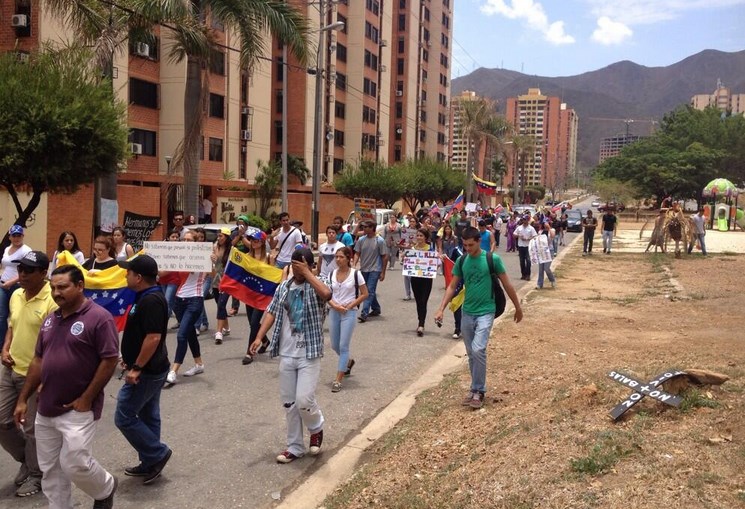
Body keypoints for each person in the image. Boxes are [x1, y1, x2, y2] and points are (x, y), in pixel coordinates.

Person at [13, 264, 119, 509]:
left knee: (75, 463)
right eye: (53, 288)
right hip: (46, 407)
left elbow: (110, 359)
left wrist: (87, 398)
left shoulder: (98, 317)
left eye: (63, 287)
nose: (57, 292)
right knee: (50, 470)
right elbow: (38, 360)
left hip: (78, 408)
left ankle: (105, 487)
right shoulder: (50, 320)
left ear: (80, 286)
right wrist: (22, 399)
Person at [248, 249, 331, 463]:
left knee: (304, 399)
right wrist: (258, 337)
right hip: (287, 352)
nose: (296, 269)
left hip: (309, 353)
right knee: (289, 403)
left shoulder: (318, 283)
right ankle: (294, 447)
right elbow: (272, 311)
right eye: (294, 265)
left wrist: (308, 273)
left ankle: (316, 427)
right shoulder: (284, 287)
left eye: (300, 265)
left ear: (310, 265)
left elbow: (327, 294)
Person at [433, 227, 523, 409]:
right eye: (465, 245)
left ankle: (479, 390)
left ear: (478, 241)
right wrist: (441, 308)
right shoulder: (462, 260)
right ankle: (474, 390)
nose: (467, 248)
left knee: (478, 349)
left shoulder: (492, 259)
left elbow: (507, 284)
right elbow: (452, 286)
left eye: (471, 245)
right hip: (467, 312)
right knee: (472, 353)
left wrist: (518, 307)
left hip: (487, 310)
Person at [1, 251, 57, 497]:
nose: (21, 274)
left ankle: (37, 475)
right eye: (20, 269)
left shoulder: (52, 301)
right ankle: (28, 459)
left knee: (33, 428)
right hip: (10, 369)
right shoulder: (15, 295)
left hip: (35, 375)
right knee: (2, 422)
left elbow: (56, 344)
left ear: (44, 273)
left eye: (28, 271)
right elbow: (12, 326)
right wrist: (4, 348)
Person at [115, 255, 172, 485]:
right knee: (149, 414)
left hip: (148, 371)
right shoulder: (145, 296)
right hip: (149, 367)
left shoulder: (151, 301)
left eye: (128, 272)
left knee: (124, 415)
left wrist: (136, 367)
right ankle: (150, 461)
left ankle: (157, 453)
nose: (125, 275)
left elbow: (153, 337)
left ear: (138, 277)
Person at [165, 230, 207, 384]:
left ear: (196, 242)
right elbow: (163, 273)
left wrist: (212, 261)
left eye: (190, 240)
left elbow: (212, 272)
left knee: (181, 335)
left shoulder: (203, 256)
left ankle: (173, 371)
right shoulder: (179, 256)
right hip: (179, 300)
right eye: (184, 239)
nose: (186, 242)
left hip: (194, 300)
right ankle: (199, 364)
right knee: (189, 333)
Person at [327, 247, 368, 392]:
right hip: (334, 311)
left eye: (341, 257)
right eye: (336, 257)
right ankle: (348, 362)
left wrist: (350, 305)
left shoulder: (356, 274)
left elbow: (364, 293)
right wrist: (334, 305)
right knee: (334, 345)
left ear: (348, 258)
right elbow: (327, 294)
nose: (338, 260)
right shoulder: (331, 274)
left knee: (343, 345)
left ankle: (338, 379)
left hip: (349, 313)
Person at [241, 230, 271, 365]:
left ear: (262, 242)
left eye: (256, 240)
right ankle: (264, 340)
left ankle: (249, 352)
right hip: (249, 294)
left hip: (262, 295)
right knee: (251, 323)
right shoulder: (247, 256)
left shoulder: (269, 257)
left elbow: (273, 276)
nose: (253, 242)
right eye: (252, 240)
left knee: (254, 323)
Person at [1, 225, 32, 345]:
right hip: (3, 286)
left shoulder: (26, 250)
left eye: (19, 235)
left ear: (23, 236)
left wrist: (11, 282)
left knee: (17, 316)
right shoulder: (7, 249)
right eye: (14, 235)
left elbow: (28, 270)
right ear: (10, 237)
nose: (16, 238)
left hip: (18, 287)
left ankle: (15, 342)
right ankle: (2, 344)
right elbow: (6, 266)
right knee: (2, 316)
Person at [353, 221, 388, 322]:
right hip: (364, 268)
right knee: (367, 291)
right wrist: (354, 263)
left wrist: (383, 272)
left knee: (370, 290)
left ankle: (364, 313)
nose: (363, 228)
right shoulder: (361, 240)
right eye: (363, 227)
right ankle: (376, 308)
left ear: (372, 228)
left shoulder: (379, 241)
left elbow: (384, 257)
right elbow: (357, 253)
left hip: (375, 269)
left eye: (366, 227)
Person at [409, 229, 434, 337]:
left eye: (421, 236)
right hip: (415, 278)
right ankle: (420, 321)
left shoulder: (430, 249)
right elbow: (407, 262)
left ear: (426, 237)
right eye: (418, 235)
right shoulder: (413, 249)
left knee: (424, 300)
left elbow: (435, 264)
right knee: (418, 301)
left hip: (426, 279)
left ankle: (421, 324)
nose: (419, 237)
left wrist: (437, 260)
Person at [211, 228, 232, 345]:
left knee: (221, 304)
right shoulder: (214, 247)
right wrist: (211, 258)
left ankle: (218, 332)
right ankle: (226, 327)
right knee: (220, 304)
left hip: (227, 282)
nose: (218, 238)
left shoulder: (232, 250)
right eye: (218, 236)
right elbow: (211, 264)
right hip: (215, 280)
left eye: (221, 236)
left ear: (227, 237)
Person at [530, 222, 557, 289]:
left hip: (549, 251)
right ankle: (539, 284)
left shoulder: (552, 230)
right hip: (541, 251)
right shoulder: (540, 231)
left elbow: (552, 236)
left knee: (546, 268)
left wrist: (549, 228)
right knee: (541, 269)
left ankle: (552, 279)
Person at [513, 215, 536, 281]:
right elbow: (514, 235)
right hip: (521, 246)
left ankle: (528, 275)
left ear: (528, 220)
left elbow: (535, 236)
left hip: (528, 246)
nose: (524, 221)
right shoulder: (519, 228)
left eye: (525, 219)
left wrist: (528, 238)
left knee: (528, 261)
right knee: (522, 261)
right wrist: (519, 236)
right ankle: (523, 274)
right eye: (523, 219)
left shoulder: (531, 228)